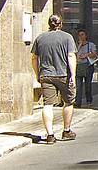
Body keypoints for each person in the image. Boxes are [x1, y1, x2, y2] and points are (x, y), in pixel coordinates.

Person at [32, 14, 77, 144]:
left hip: (46, 75)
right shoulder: (67, 37)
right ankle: (66, 130)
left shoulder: (40, 38)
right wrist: (73, 75)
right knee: (68, 102)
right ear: (60, 24)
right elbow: (70, 56)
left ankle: (50, 134)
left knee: (47, 105)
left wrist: (37, 74)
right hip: (64, 75)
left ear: (49, 24)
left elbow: (34, 58)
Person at [76, 28, 98, 104]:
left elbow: (94, 54)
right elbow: (74, 54)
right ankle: (78, 102)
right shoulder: (76, 45)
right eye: (79, 35)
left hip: (88, 66)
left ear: (86, 36)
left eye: (82, 35)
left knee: (87, 85)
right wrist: (79, 45)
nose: (81, 37)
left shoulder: (91, 45)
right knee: (78, 86)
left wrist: (86, 55)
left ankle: (89, 100)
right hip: (78, 66)